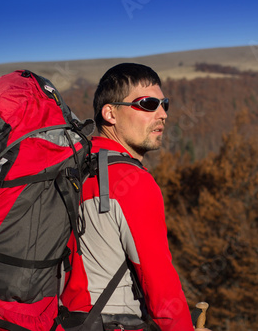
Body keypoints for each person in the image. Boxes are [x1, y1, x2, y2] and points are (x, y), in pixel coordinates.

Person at [59, 63, 211, 331]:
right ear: (110, 113)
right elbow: (162, 290)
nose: (162, 114)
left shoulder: (75, 167)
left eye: (164, 103)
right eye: (148, 104)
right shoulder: (132, 182)